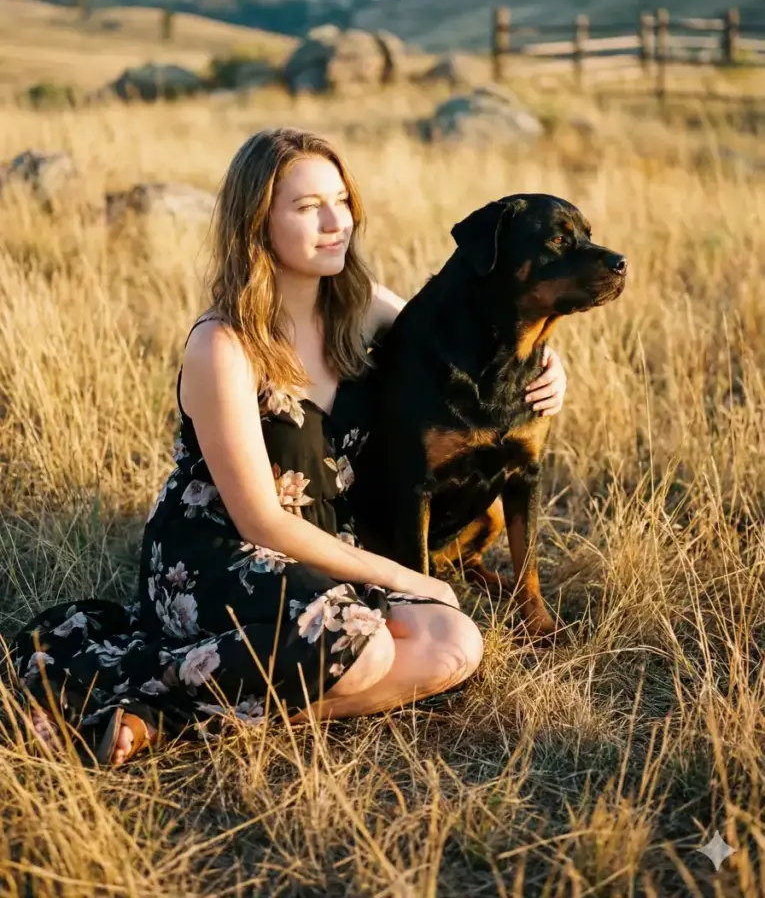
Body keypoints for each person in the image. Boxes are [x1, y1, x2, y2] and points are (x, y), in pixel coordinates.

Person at [9, 128, 567, 766]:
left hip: (326, 553)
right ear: (257, 224)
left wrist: (552, 365)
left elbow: (469, 337)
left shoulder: (364, 310)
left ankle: (181, 721)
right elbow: (260, 518)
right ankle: (150, 691)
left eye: (341, 201)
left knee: (455, 645)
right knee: (368, 646)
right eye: (306, 208)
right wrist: (408, 577)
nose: (335, 223)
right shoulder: (223, 345)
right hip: (222, 554)